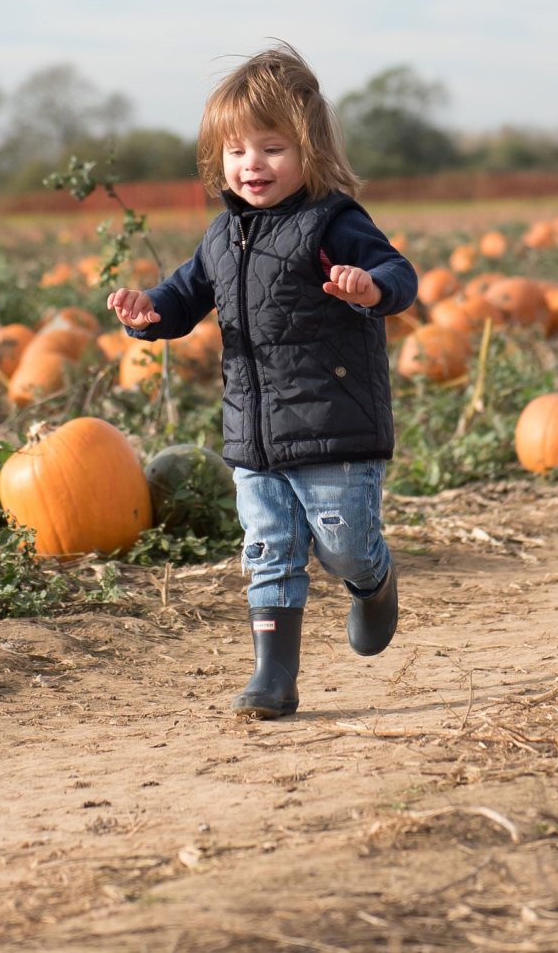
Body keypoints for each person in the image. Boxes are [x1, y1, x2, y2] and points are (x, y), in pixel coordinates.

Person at [108, 44, 418, 718]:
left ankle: (374, 578)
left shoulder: (333, 223)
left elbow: (401, 275)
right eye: (237, 150)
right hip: (253, 436)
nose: (252, 164)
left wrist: (370, 287)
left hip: (334, 428)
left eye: (272, 147)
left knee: (343, 546)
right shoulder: (222, 237)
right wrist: (149, 313)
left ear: (311, 151)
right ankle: (272, 678)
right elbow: (184, 298)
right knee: (269, 550)